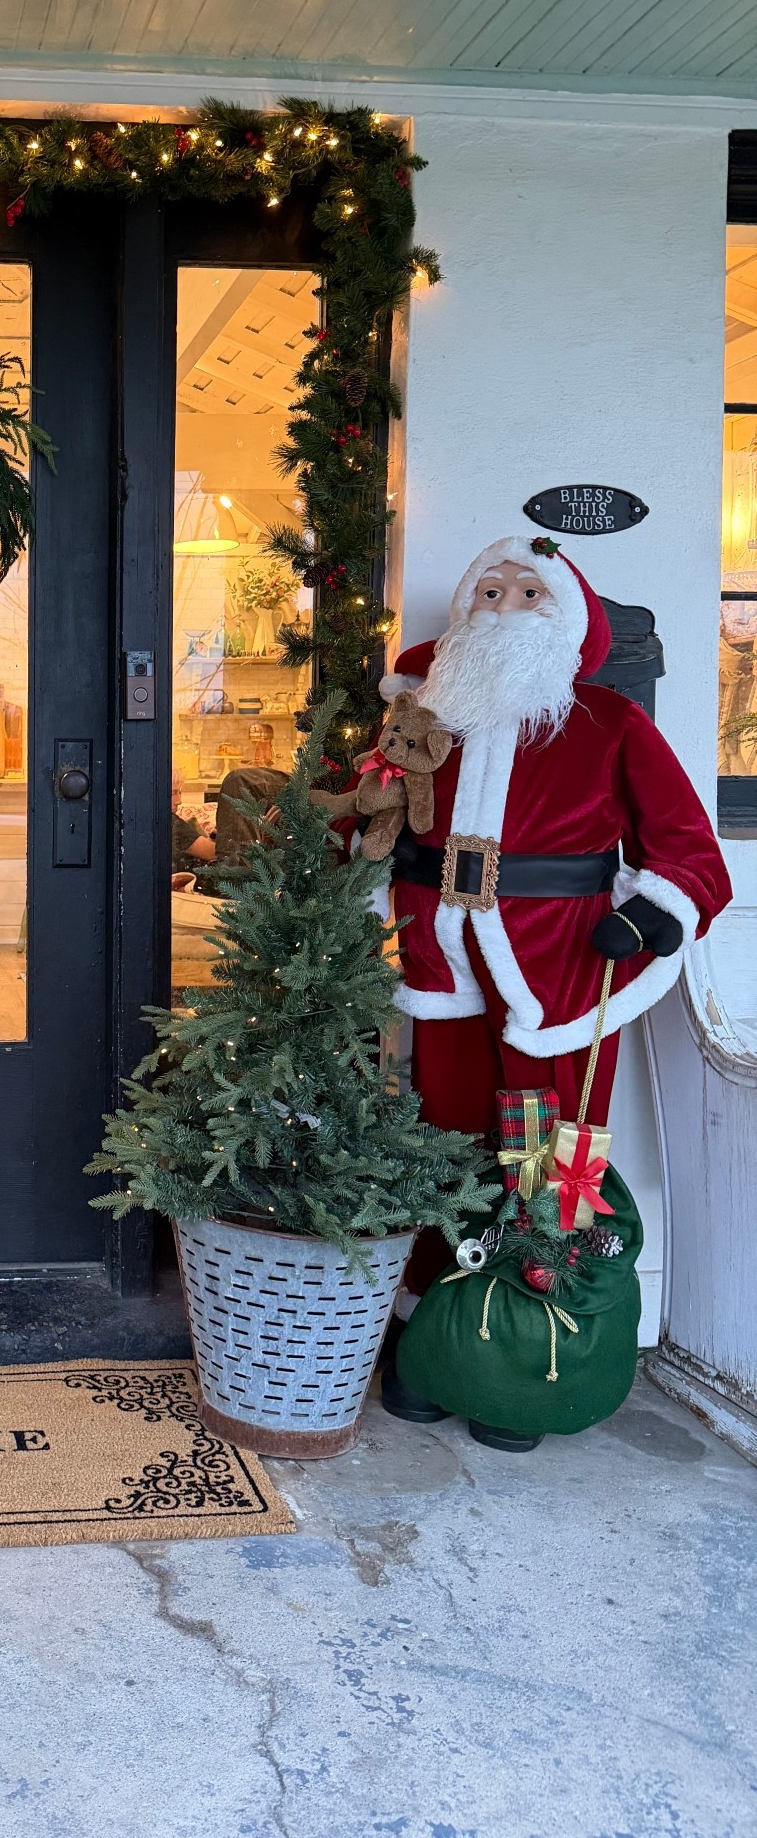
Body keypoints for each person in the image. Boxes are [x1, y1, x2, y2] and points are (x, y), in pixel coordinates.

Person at [374, 534, 731, 1447]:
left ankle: (535, 1354)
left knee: (548, 1160)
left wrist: (653, 912)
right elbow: (373, 819)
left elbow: (689, 848)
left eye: (528, 591)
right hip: (442, 967)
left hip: (562, 974)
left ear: (566, 618)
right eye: (487, 590)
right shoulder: (424, 718)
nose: (502, 605)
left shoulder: (610, 724)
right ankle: (432, 1335)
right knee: (444, 1148)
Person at [170, 774, 216, 889]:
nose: (179, 801)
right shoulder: (169, 822)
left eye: (179, 793)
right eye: (173, 793)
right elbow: (213, 853)